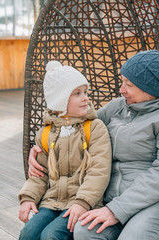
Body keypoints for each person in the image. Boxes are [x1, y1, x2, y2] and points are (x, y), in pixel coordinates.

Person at [28, 50, 159, 240]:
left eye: (129, 85)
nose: (121, 89)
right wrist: (38, 150)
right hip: (110, 197)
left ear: (149, 89)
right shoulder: (118, 107)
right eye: (122, 81)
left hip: (158, 201)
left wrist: (116, 209)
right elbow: (76, 131)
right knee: (84, 230)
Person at [18, 61, 112, 240]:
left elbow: (99, 171)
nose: (85, 98)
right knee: (28, 234)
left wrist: (83, 202)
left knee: (52, 235)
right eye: (77, 93)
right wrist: (28, 198)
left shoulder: (94, 128)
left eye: (85, 92)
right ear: (60, 101)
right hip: (51, 201)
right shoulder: (46, 134)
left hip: (82, 202)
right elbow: (39, 174)